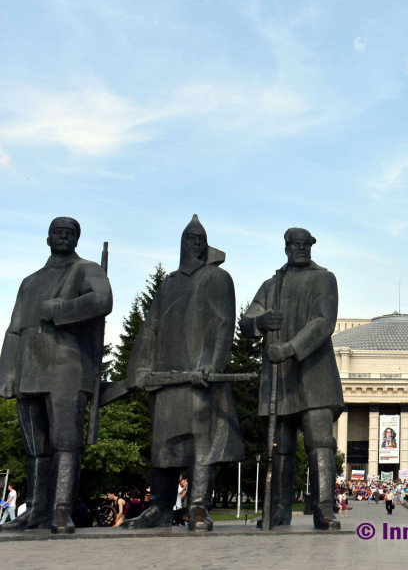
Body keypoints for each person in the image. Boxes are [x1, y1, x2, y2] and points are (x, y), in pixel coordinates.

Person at [124, 216, 243, 532]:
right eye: (191, 239)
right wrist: (139, 368)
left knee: (202, 444)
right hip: (165, 379)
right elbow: (151, 328)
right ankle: (160, 507)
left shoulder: (217, 278)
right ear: (182, 243)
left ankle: (198, 506)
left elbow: (222, 325)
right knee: (163, 445)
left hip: (199, 378)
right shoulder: (169, 284)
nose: (196, 244)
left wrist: (212, 366)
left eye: (200, 239)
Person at [0, 217, 113, 534]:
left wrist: (60, 310)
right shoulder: (30, 281)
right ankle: (36, 510)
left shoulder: (86, 269)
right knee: (35, 447)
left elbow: (103, 300)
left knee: (66, 443)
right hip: (29, 368)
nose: (63, 236)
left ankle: (61, 510)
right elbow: (13, 330)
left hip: (66, 367)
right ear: (47, 238)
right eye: (58, 232)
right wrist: (7, 373)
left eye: (70, 233)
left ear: (77, 239)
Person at [241, 227, 344, 530]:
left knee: (320, 441)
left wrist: (291, 347)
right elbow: (247, 321)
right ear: (286, 247)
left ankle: (324, 508)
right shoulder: (270, 286)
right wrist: (259, 321)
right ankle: (278, 510)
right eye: (294, 244)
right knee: (279, 447)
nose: (300, 248)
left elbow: (323, 322)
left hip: (314, 374)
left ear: (311, 246)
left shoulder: (323, 278)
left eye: (305, 244)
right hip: (279, 378)